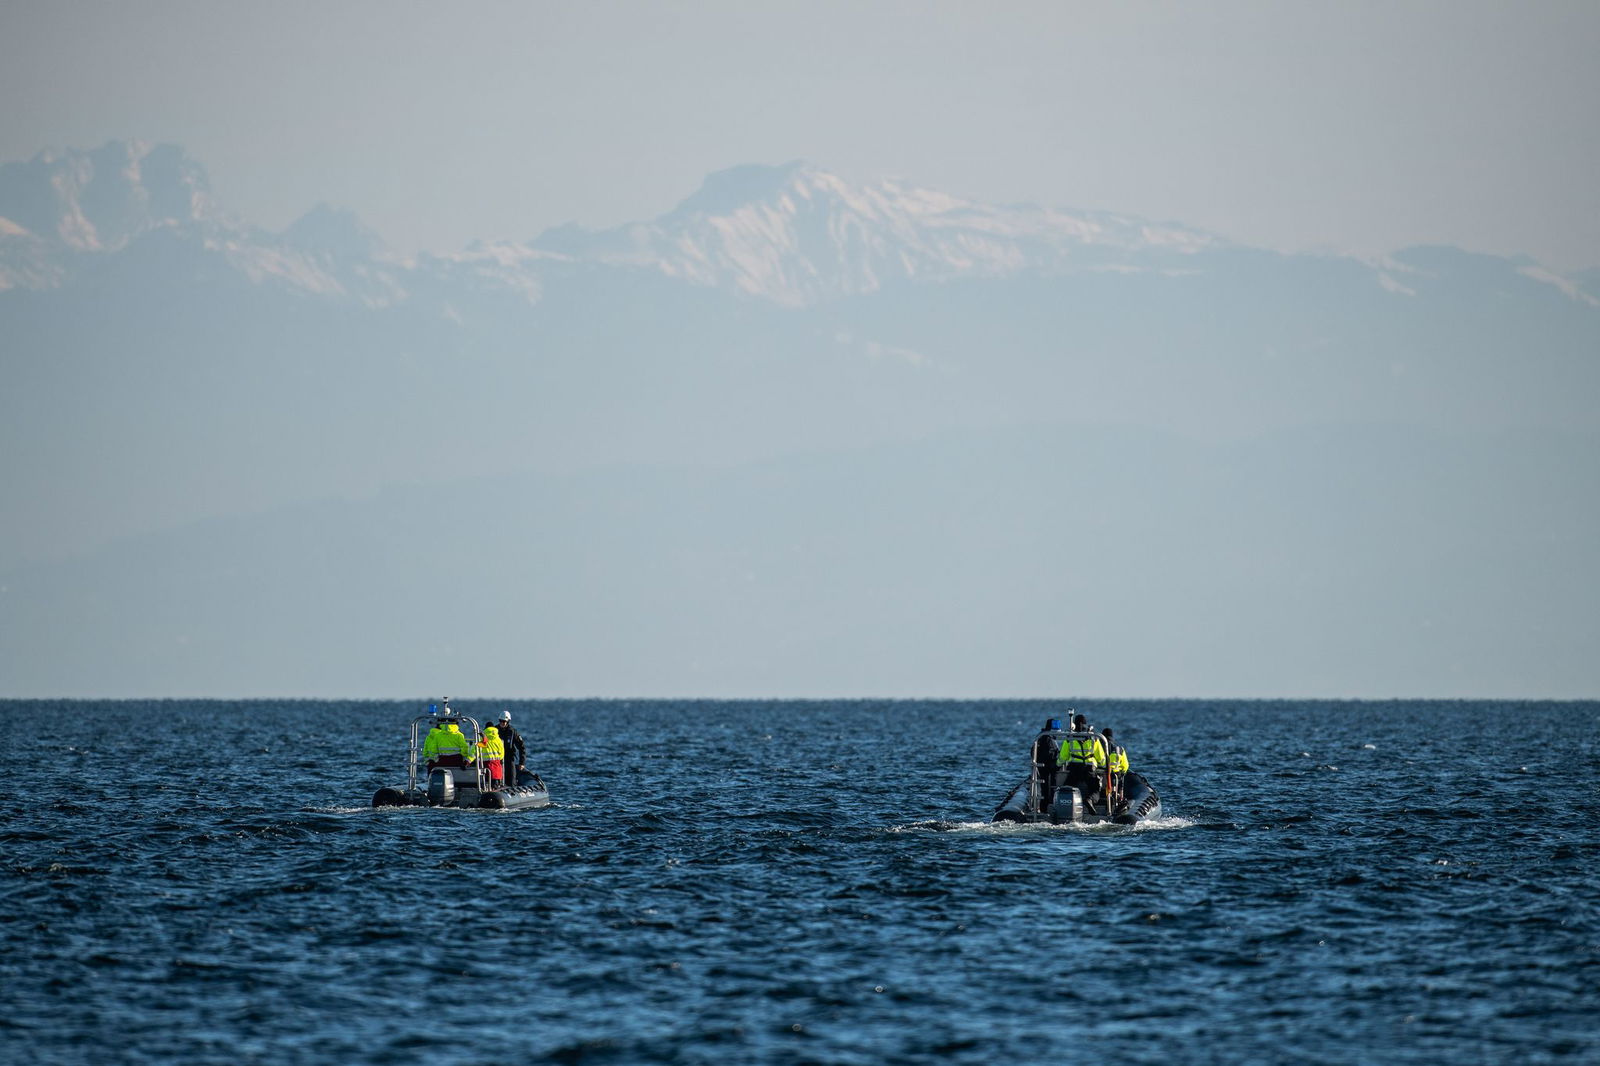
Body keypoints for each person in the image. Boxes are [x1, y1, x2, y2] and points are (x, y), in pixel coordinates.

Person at [1058, 713, 1107, 810]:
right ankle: (1090, 800)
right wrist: (1104, 766)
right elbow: (1101, 758)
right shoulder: (1094, 738)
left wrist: (1057, 764)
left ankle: (1064, 807)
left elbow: (1063, 757)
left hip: (1075, 769)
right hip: (1089, 769)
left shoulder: (1070, 737)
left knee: (1066, 789)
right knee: (1095, 790)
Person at [1031, 718, 1065, 811]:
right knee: (1047, 791)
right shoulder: (1048, 739)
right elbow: (1050, 755)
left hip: (1042, 768)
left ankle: (1044, 808)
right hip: (1047, 769)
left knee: (1045, 790)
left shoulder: (1041, 736)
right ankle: (1046, 809)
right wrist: (1056, 765)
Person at [1102, 726, 1130, 811]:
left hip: (1101, 775)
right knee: (1119, 780)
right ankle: (1117, 800)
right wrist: (1122, 773)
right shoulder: (1120, 749)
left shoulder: (1098, 746)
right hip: (1115, 777)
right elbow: (1125, 766)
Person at [495, 711, 527, 787]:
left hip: (509, 759)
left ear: (508, 721)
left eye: (504, 721)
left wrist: (522, 762)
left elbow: (521, 747)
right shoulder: (494, 731)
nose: (502, 723)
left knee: (512, 779)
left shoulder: (512, 732)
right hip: (497, 760)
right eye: (501, 721)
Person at [478, 724, 505, 789]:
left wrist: (468, 761)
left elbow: (475, 751)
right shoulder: (499, 740)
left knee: (485, 787)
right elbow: (501, 755)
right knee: (495, 788)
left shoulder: (483, 739)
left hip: (486, 768)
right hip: (497, 770)